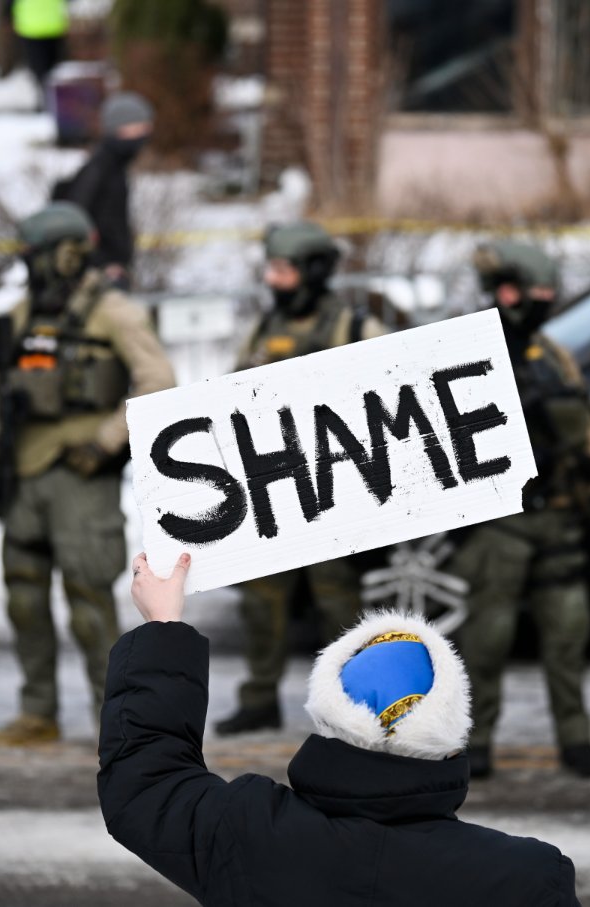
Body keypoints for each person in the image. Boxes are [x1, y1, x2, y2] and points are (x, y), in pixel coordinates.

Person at [98, 551, 582, 906]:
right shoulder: (528, 880)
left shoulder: (248, 833)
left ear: (327, 715)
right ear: (453, 733)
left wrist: (164, 624)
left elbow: (147, 781)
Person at [0, 202, 176, 746]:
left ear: (65, 254)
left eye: (35, 254)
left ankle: (117, 724)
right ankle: (37, 711)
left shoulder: (113, 312)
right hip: (24, 472)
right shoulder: (19, 316)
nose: (29, 264)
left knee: (90, 603)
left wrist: (106, 440)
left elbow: (157, 381)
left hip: (82, 476)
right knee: (24, 598)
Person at [448, 240, 590, 780]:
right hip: (499, 523)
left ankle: (575, 739)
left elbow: (586, 430)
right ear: (508, 291)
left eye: (549, 292)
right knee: (487, 639)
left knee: (569, 635)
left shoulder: (552, 355)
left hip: (559, 516)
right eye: (536, 291)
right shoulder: (464, 352)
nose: (545, 301)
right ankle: (476, 740)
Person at [213, 221, 386, 736]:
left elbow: (391, 396)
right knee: (261, 601)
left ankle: (352, 702)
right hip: (275, 488)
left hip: (333, 487)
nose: (274, 280)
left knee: (337, 601)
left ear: (311, 271)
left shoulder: (355, 327)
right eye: (271, 269)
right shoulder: (263, 328)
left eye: (284, 270)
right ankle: (260, 697)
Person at [53, 91, 154, 289]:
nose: (146, 131)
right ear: (121, 127)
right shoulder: (100, 169)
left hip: (110, 271)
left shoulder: (115, 166)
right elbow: (75, 219)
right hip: (100, 276)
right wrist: (102, 263)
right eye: (139, 126)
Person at [10, 0, 67, 110]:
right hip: (53, 23)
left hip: (30, 25)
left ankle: (44, 98)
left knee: (39, 69)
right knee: (53, 68)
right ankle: (53, 99)